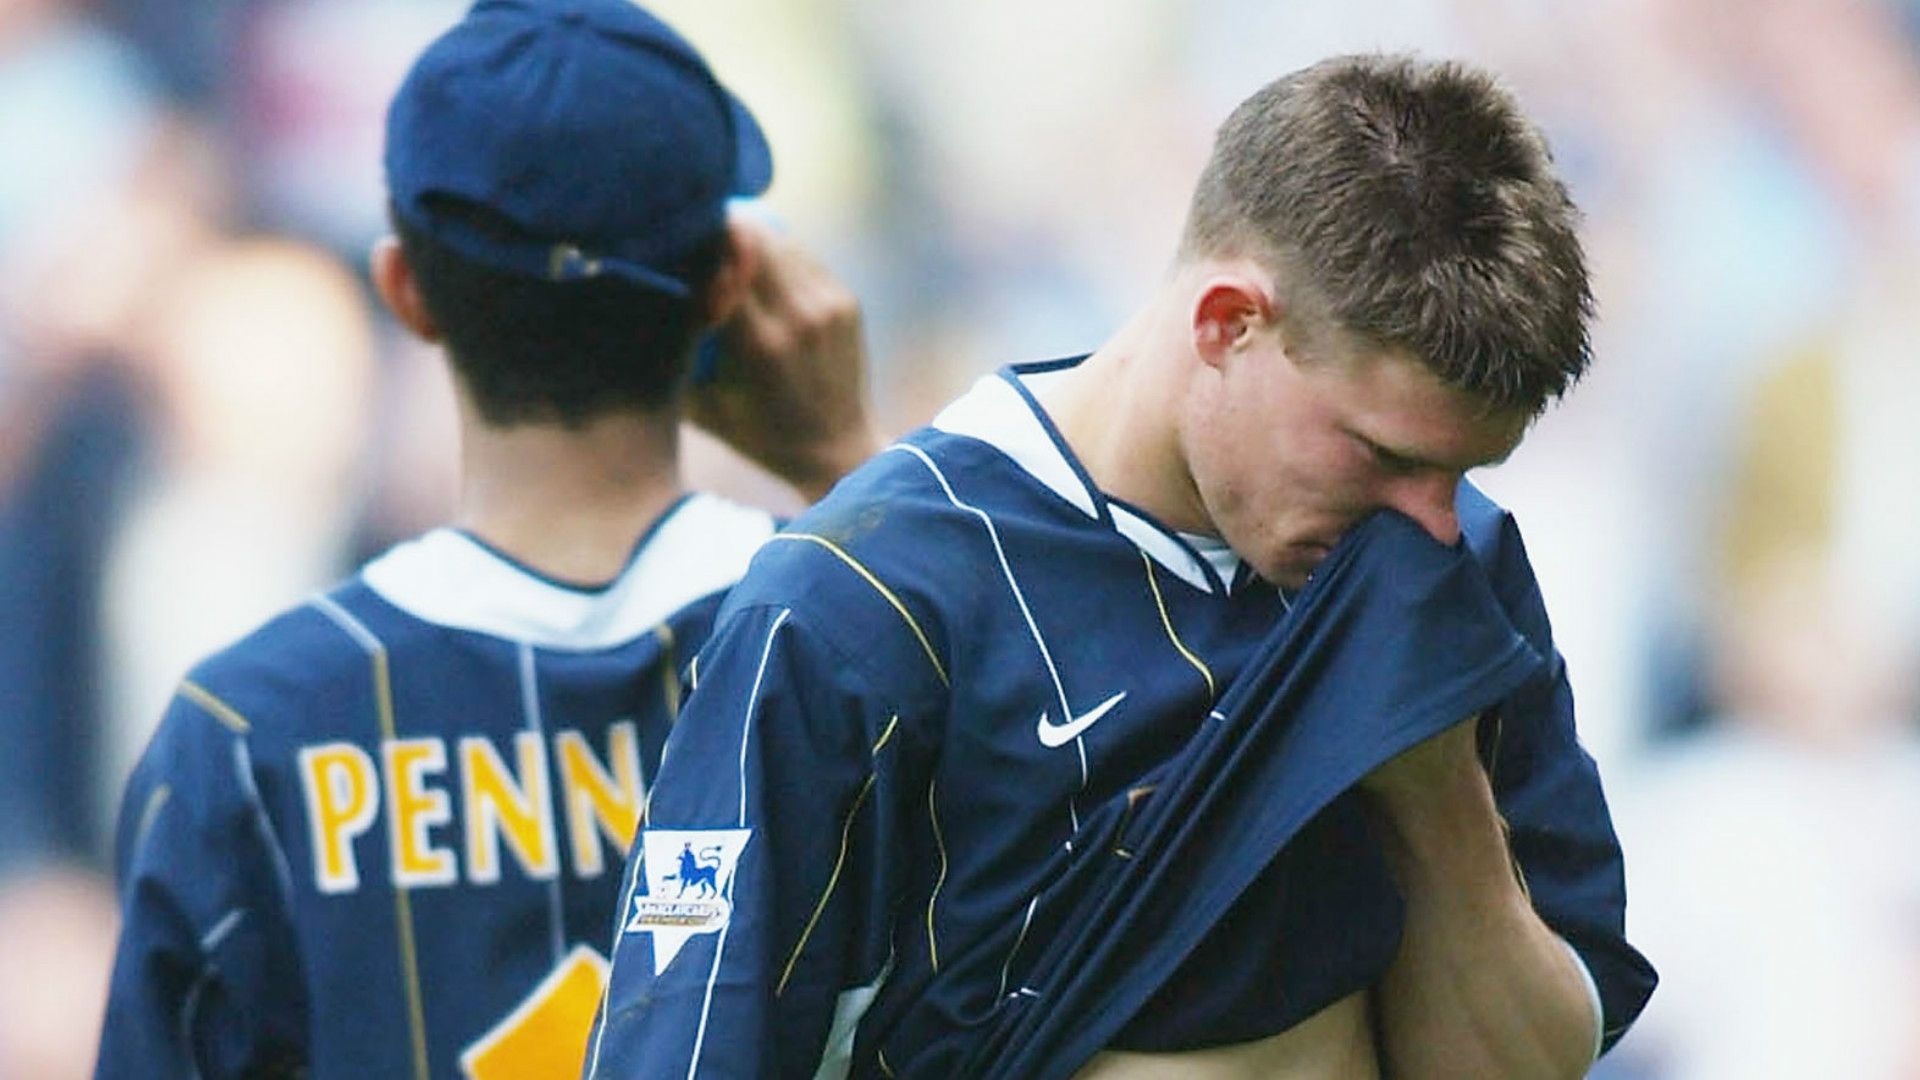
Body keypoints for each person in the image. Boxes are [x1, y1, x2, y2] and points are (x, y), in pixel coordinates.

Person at [589, 54, 1654, 1079]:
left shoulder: (1444, 567)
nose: (1433, 525)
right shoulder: (854, 610)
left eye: (1462, 470)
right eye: (1384, 455)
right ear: (1227, 322)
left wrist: (1437, 793)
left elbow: (1530, 1063)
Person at [93, 0, 880, 1076]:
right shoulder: (861, 651)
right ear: (732, 285)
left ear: (406, 291)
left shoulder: (247, 730)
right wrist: (847, 461)